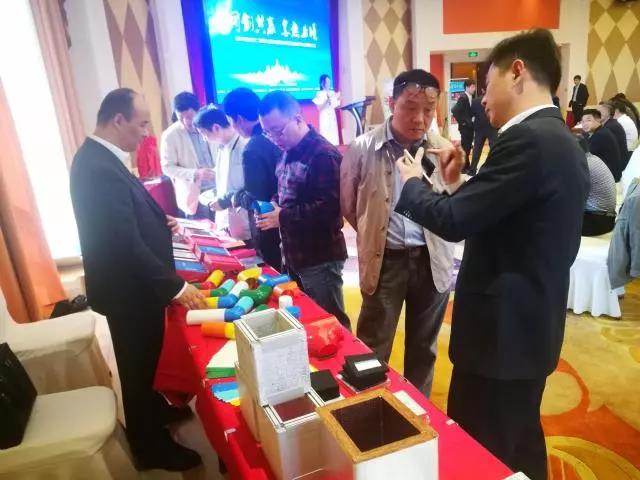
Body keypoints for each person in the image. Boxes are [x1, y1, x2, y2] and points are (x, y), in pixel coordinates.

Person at [393, 29, 589, 479]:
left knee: (483, 453)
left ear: (517, 71)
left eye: (487, 83)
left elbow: (454, 221)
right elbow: (505, 217)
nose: (482, 97)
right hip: (528, 327)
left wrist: (412, 183)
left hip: (502, 338)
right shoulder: (560, 138)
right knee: (519, 444)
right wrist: (457, 183)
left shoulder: (528, 140)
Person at [70, 88, 207, 471]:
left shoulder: (100, 158)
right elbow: (123, 242)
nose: (147, 133)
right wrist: (176, 286)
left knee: (147, 362)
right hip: (128, 290)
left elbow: (125, 216)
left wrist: (159, 221)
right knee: (138, 368)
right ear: (118, 120)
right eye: (142, 123)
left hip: (132, 286)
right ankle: (148, 446)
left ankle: (151, 413)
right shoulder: (98, 167)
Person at [340, 69, 456, 396]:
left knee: (424, 347)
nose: (420, 119)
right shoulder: (363, 148)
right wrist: (376, 235)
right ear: (392, 103)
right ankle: (370, 404)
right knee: (373, 344)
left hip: (432, 261)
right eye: (410, 107)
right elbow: (350, 205)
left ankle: (417, 408)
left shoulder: (443, 150)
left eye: (429, 109)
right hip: (385, 261)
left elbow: (453, 207)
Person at [257, 91, 350, 328]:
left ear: (298, 119)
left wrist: (282, 217)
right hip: (293, 254)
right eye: (267, 133)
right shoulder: (286, 151)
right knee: (304, 319)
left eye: (278, 130)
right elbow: (285, 191)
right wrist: (274, 205)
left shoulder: (323, 154)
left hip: (320, 257)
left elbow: (329, 210)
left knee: (330, 323)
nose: (274, 138)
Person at [223, 87, 283, 271]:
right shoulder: (275, 135)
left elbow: (256, 199)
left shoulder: (253, 148)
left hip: (270, 226)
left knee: (276, 275)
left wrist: (234, 198)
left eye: (231, 121)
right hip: (288, 218)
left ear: (239, 119)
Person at [194, 105, 251, 241]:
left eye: (204, 133)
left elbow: (249, 186)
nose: (204, 138)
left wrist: (224, 201)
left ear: (216, 128)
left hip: (243, 217)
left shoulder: (244, 147)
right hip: (225, 218)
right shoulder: (221, 147)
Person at [161, 92, 216, 219]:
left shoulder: (211, 126)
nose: (186, 122)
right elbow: (167, 167)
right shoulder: (170, 135)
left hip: (219, 190)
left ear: (198, 111)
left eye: (190, 117)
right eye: (181, 118)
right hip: (194, 197)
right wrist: (195, 173)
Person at [575, 135, 616, 236]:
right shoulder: (593, 159)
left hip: (596, 222)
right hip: (606, 219)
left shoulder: (583, 164)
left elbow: (571, 195)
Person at [581, 108, 622, 181]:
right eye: (582, 121)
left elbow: (586, 156)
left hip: (609, 178)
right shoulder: (600, 131)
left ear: (598, 120)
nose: (585, 124)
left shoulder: (601, 135)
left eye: (588, 120)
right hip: (606, 172)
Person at [469, 93, 498, 175]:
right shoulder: (493, 100)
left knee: (477, 149)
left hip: (479, 128)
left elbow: (472, 114)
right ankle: (494, 169)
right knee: (494, 148)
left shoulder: (475, 101)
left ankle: (472, 170)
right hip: (491, 127)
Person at [597, 101, 628, 171]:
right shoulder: (611, 123)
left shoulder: (610, 127)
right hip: (618, 162)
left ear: (608, 113)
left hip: (617, 166)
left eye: (600, 111)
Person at [451, 79, 475, 167]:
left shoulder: (470, 97)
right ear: (467, 87)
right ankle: (463, 166)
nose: (474, 89)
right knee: (465, 147)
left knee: (467, 147)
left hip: (470, 127)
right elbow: (454, 110)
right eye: (472, 87)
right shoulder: (463, 97)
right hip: (465, 127)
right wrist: (463, 122)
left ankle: (466, 165)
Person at [312, 74, 341, 145]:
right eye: (326, 82)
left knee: (333, 135)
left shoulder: (332, 92)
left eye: (329, 82)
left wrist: (338, 98)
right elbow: (319, 108)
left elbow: (335, 105)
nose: (328, 84)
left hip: (332, 116)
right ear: (322, 83)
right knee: (325, 134)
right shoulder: (319, 94)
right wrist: (326, 101)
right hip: (324, 116)